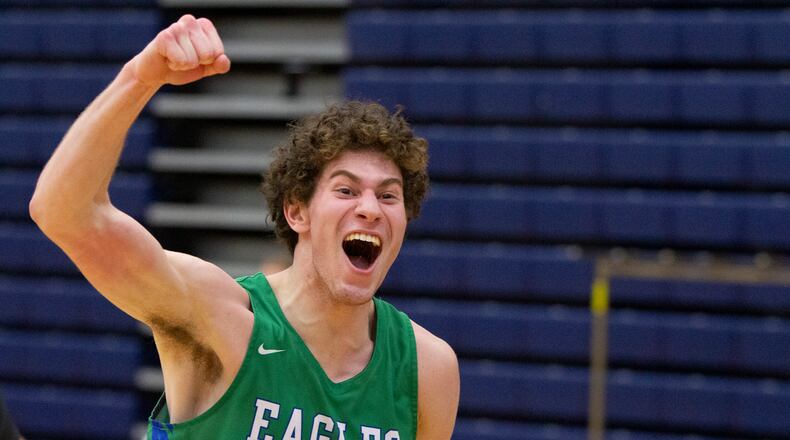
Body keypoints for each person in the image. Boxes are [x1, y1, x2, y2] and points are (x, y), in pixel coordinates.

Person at [29, 14, 459, 439]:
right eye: (346, 191)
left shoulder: (427, 368)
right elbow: (65, 213)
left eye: (388, 196)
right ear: (297, 212)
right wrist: (139, 78)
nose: (371, 208)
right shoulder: (218, 316)